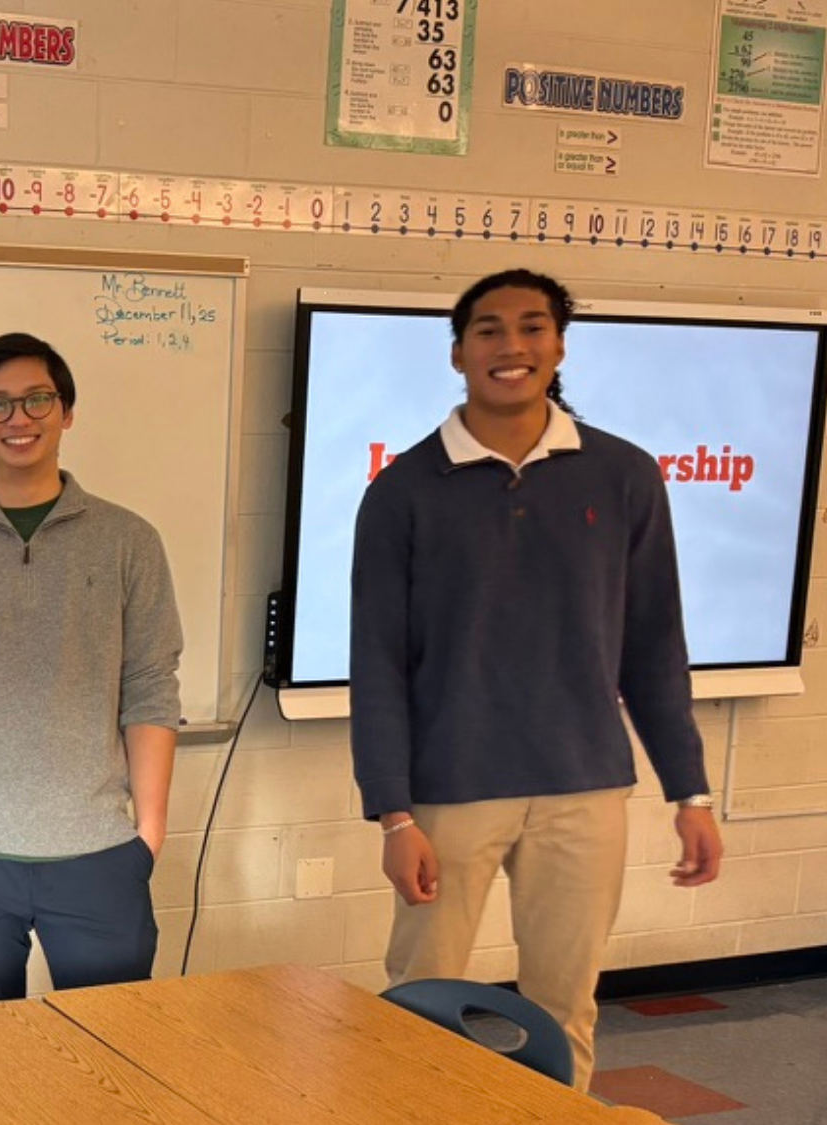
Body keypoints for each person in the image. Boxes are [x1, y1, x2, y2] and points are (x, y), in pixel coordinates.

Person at [350, 269, 724, 1091]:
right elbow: (375, 663)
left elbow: (655, 646)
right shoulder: (402, 491)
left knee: (565, 1008)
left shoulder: (624, 475)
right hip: (448, 791)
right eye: (488, 329)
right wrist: (392, 815)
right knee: (420, 1004)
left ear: (558, 346)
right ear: (458, 353)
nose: (510, 346)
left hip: (582, 786)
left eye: (531, 327)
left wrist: (689, 793)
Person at [0, 331, 184, 1005]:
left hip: (100, 852)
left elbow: (150, 689)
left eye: (37, 399)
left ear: (66, 411)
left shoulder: (129, 541)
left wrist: (148, 833)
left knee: (113, 1054)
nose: (19, 418)